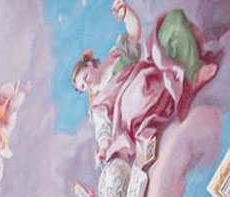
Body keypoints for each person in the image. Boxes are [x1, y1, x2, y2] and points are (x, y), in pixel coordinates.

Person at [72, 2, 217, 172]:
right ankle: (186, 82)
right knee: (135, 95)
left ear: (90, 64)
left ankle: (192, 74)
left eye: (85, 78)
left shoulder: (115, 57)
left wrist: (126, 13)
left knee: (174, 21)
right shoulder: (98, 104)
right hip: (138, 105)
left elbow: (134, 34)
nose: (87, 84)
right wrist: (103, 149)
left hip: (155, 72)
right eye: (83, 87)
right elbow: (103, 131)